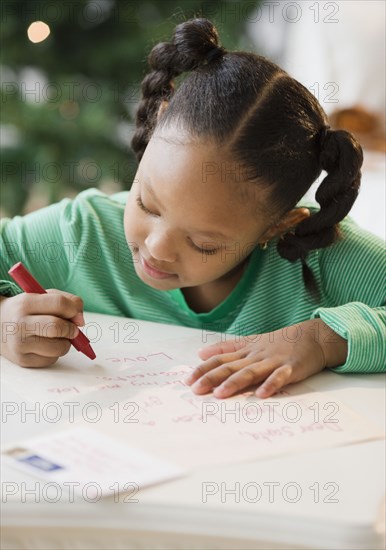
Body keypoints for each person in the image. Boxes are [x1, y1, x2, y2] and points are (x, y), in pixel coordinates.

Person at [0, 18, 384, 399]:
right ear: (157, 124)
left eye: (204, 243)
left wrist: (322, 340)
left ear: (277, 226)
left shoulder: (321, 259)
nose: (157, 248)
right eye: (147, 204)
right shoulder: (85, 233)